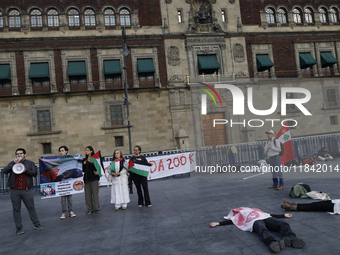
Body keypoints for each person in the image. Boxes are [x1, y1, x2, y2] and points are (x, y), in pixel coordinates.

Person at [209, 207, 305, 253]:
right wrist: (218, 223)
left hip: (265, 218)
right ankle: (272, 242)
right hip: (254, 221)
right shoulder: (240, 214)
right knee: (261, 229)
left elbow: (269, 214)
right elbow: (233, 221)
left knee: (282, 223)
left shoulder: (256, 210)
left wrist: (283, 215)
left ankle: (290, 238)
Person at [2, 148, 44, 235]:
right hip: (14, 190)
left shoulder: (30, 163)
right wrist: (13, 163)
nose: (19, 155)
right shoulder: (12, 162)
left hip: (26, 189)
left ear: (24, 154)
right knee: (16, 209)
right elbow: (4, 171)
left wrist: (26, 171)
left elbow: (34, 173)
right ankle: (19, 228)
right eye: (17, 154)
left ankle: (36, 224)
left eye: (21, 153)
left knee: (31, 207)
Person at [58, 146, 76, 220]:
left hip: (69, 181)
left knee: (70, 197)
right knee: (63, 198)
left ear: (66, 151)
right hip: (61, 182)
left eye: (62, 150)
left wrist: (80, 157)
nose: (61, 152)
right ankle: (64, 212)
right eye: (60, 151)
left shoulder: (70, 159)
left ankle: (70, 211)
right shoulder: (58, 159)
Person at [82, 146, 100, 214]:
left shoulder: (95, 159)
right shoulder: (84, 159)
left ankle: (97, 208)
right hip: (87, 179)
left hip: (94, 178)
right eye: (86, 150)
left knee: (95, 194)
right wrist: (84, 164)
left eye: (88, 150)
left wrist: (92, 163)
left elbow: (97, 169)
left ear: (91, 151)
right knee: (87, 195)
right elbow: (83, 170)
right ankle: (90, 209)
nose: (86, 151)